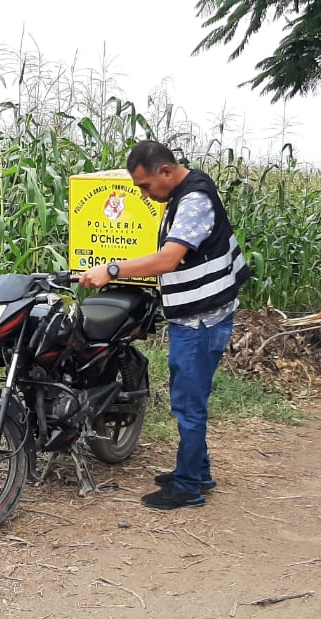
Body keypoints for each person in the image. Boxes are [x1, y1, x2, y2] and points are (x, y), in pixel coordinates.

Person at [78, 140, 252, 510]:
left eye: (144, 185)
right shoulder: (181, 194)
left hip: (201, 319)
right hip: (196, 315)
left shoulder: (193, 201)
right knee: (188, 398)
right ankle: (198, 472)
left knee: (189, 404)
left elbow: (169, 259)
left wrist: (112, 270)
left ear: (166, 172)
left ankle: (189, 487)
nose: (144, 192)